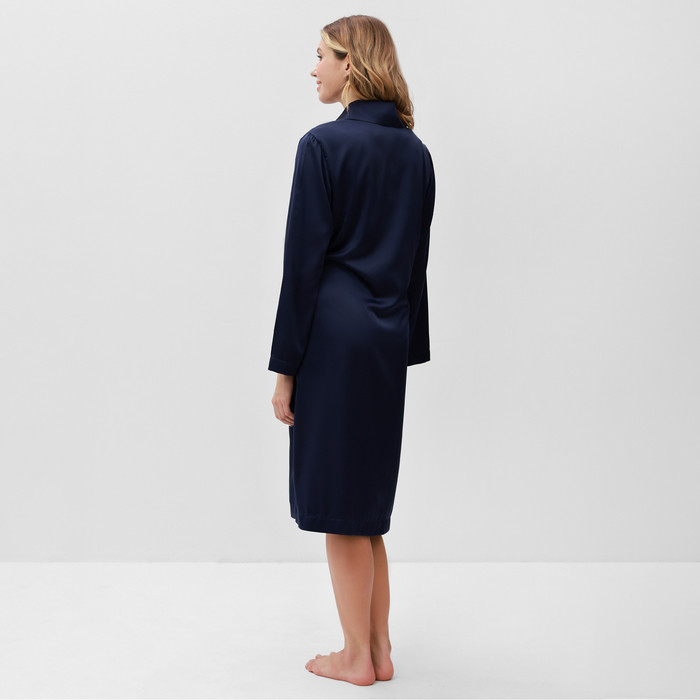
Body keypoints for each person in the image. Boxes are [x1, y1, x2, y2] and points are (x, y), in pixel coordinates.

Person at [268, 15, 435, 686]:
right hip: (385, 339)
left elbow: (301, 268)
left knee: (341, 510)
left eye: (322, 56)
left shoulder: (322, 146)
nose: (313, 68)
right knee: (367, 511)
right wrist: (405, 348)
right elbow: (416, 264)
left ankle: (355, 657)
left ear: (351, 63)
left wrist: (285, 369)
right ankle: (380, 650)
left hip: (333, 342)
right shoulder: (416, 154)